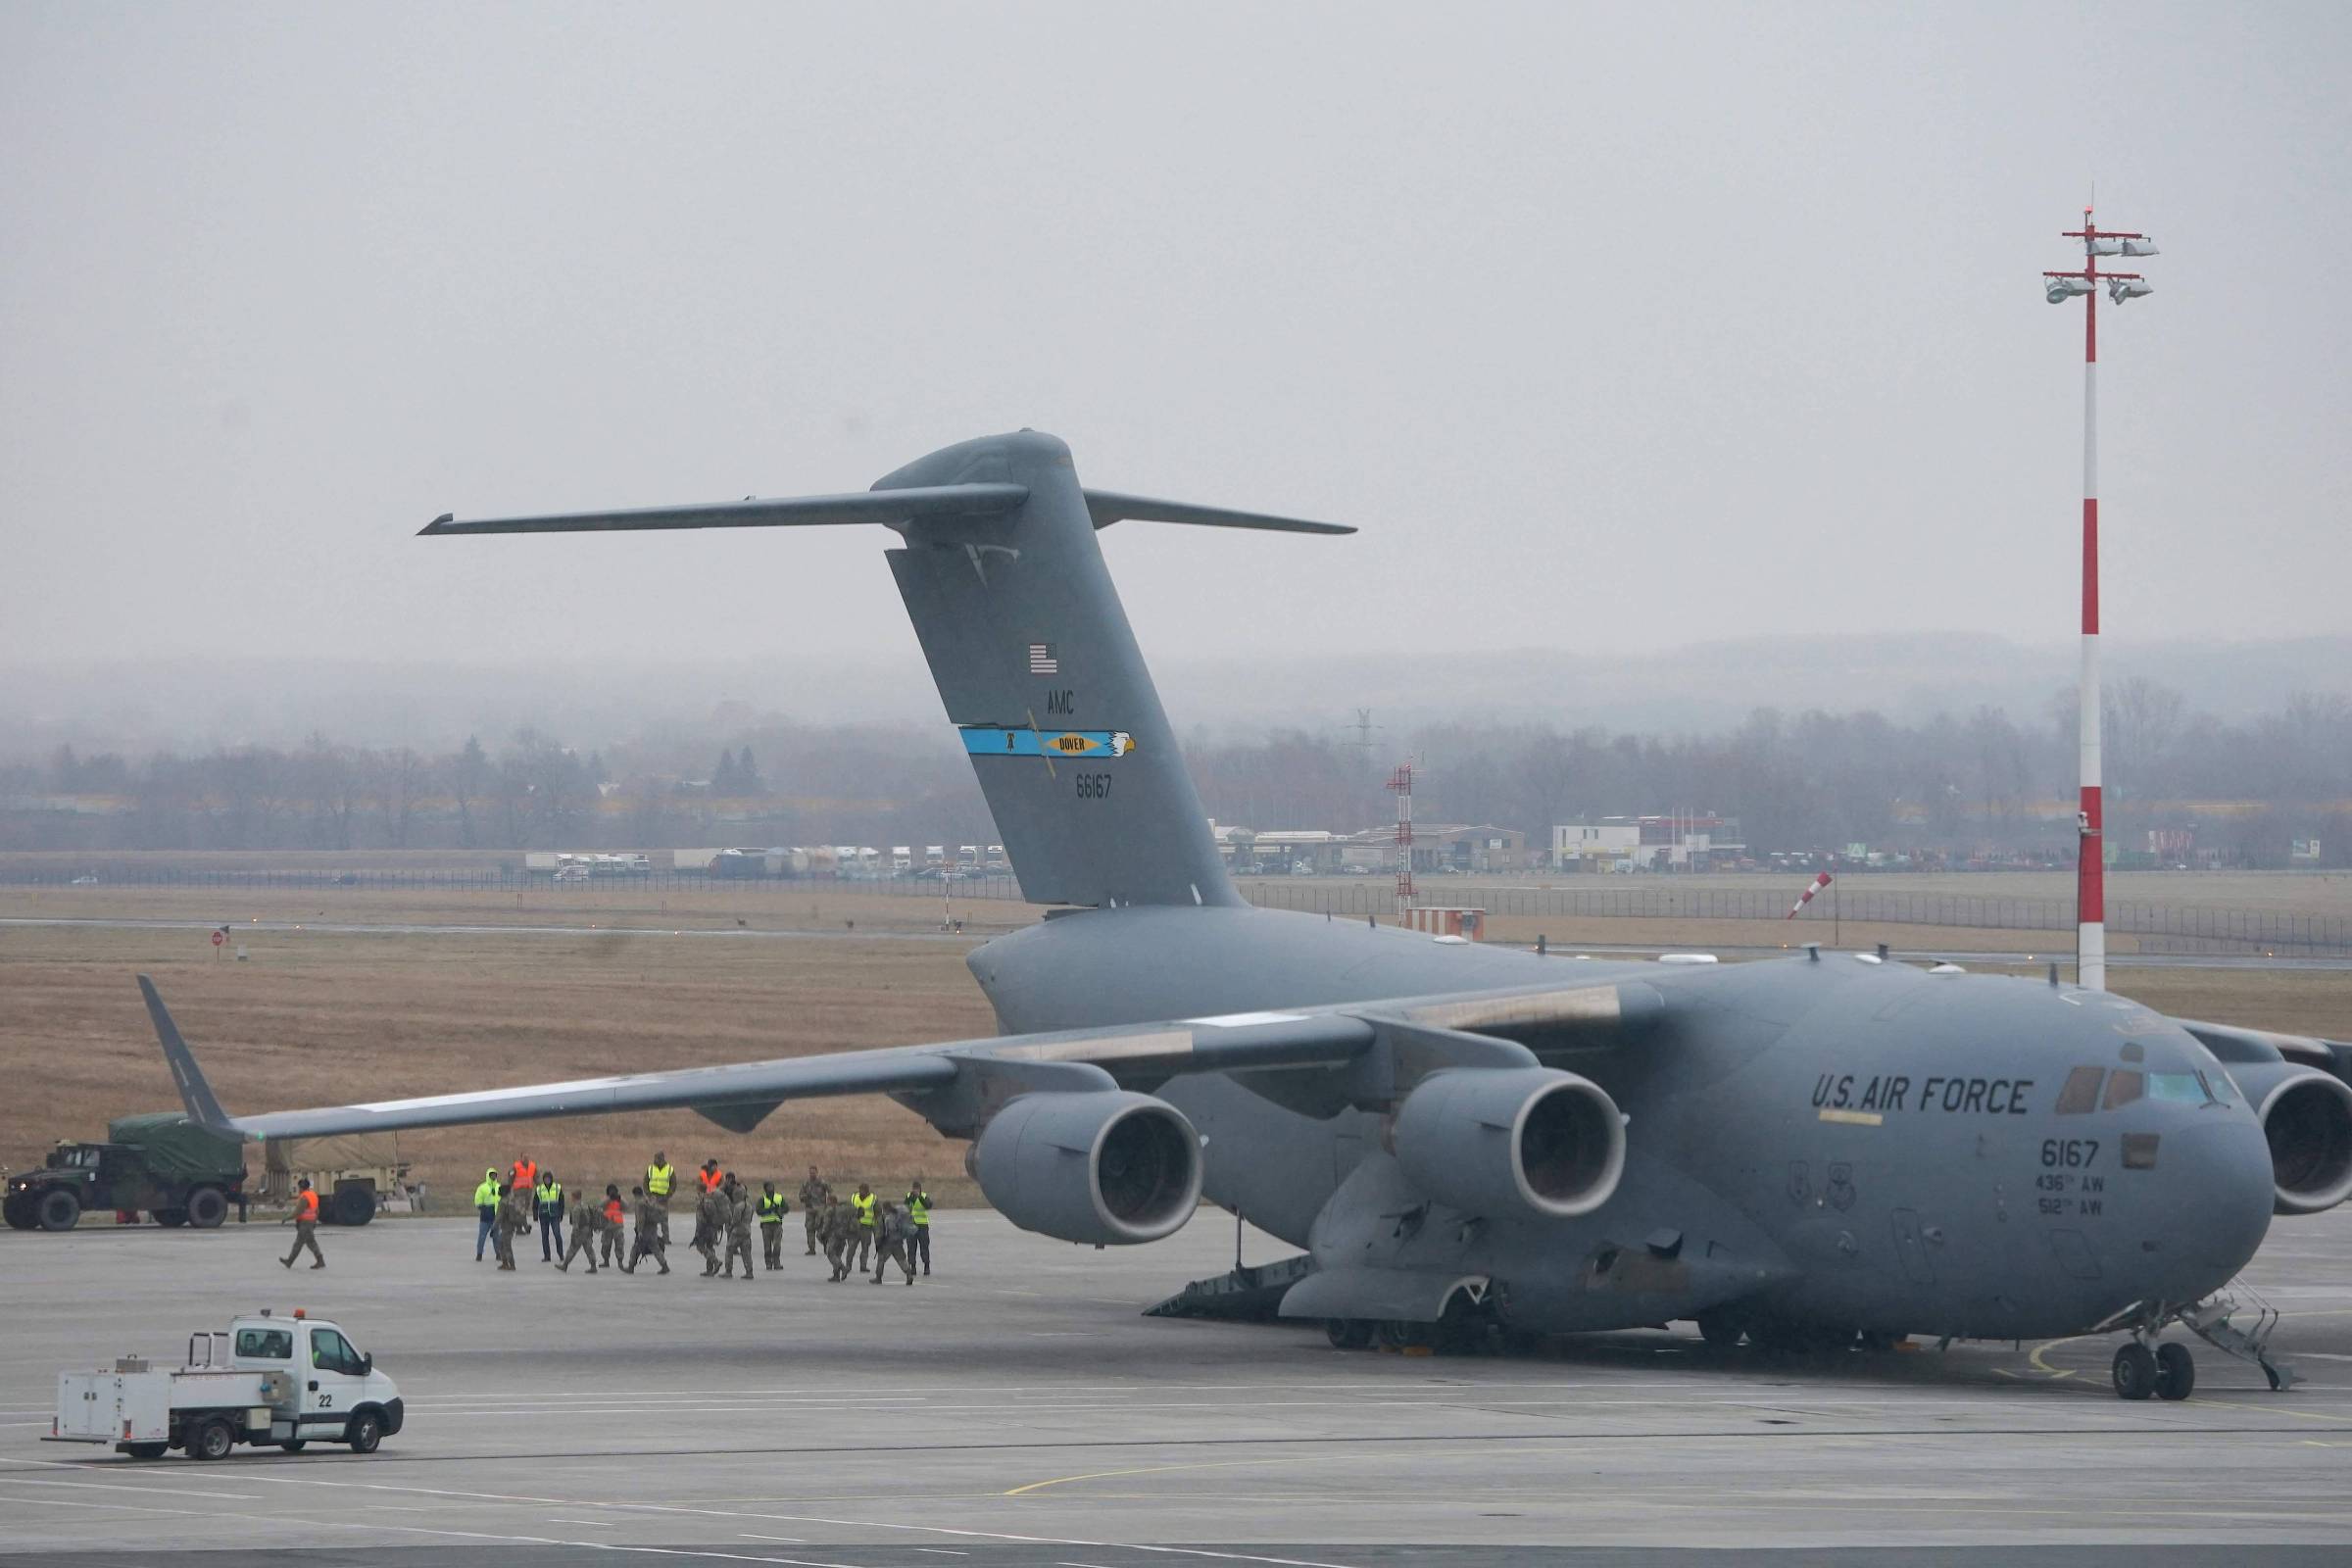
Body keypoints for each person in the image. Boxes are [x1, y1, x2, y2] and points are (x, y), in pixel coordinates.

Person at [279, 1178, 324, 1269]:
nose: (298, 1189)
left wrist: (286, 1218)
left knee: (298, 1243)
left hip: (305, 1224)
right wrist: (314, 1221)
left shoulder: (304, 1197)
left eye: (299, 1187)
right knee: (311, 1242)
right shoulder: (313, 1194)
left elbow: (297, 1212)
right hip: (311, 1222)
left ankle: (289, 1262)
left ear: (301, 1187)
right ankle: (320, 1261)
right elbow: (317, 1210)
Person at [626, 1185, 669, 1275]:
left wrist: (640, 1231)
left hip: (645, 1229)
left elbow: (641, 1218)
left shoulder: (640, 1203)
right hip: (653, 1227)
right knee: (654, 1247)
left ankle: (630, 1268)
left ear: (635, 1194)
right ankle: (664, 1266)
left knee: (636, 1248)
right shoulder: (648, 1200)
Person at [559, 1186, 601, 1273]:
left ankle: (565, 1265)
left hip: (580, 1231)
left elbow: (575, 1223)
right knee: (589, 1248)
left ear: (573, 1197)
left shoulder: (576, 1208)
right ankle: (593, 1266)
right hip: (588, 1230)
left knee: (573, 1248)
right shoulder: (585, 1206)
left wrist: (574, 1234)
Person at [872, 1200, 915, 1285]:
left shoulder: (886, 1218)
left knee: (881, 1260)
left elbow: (882, 1232)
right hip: (898, 1242)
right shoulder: (897, 1215)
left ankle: (878, 1278)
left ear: (884, 1209)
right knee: (902, 1260)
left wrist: (878, 1242)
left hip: (887, 1243)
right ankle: (909, 1275)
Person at [721, 1176, 755, 1281]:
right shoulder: (749, 1206)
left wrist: (730, 1227)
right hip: (747, 1231)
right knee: (746, 1253)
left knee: (729, 1250)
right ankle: (749, 1271)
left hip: (737, 1231)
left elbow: (735, 1220)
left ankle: (728, 1271)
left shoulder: (738, 1207)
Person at [494, 1182, 531, 1271]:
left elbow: (499, 1216)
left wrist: (494, 1227)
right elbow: (520, 1214)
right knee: (502, 1245)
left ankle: (511, 1264)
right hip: (508, 1227)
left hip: (507, 1227)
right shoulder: (510, 1202)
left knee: (506, 1246)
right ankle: (505, 1263)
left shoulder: (503, 1203)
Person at [693, 1181, 726, 1276]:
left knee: (700, 1246)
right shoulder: (710, 1198)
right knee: (710, 1247)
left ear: (699, 1190)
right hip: (712, 1228)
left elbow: (701, 1217)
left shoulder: (702, 1200)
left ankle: (716, 1261)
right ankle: (709, 1269)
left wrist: (699, 1231)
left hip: (705, 1228)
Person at [797, 1166, 831, 1255]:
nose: (812, 1174)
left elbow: (831, 1193)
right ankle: (811, 1248)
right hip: (810, 1209)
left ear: (817, 1172)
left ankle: (825, 1245)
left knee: (821, 1230)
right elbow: (800, 1195)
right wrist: (805, 1197)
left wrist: (829, 1204)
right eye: (810, 1172)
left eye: (814, 1172)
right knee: (809, 1229)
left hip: (821, 1209)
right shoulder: (806, 1183)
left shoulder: (823, 1183)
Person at [820, 1197, 855, 1283]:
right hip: (843, 1235)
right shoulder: (843, 1210)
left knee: (830, 1253)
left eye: (828, 1201)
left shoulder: (830, 1210)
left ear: (831, 1201)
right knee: (837, 1255)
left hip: (834, 1235)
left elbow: (826, 1223)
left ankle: (843, 1269)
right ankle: (836, 1276)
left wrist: (823, 1233)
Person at [645, 1151, 676, 1241]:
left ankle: (666, 1238)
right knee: (651, 1218)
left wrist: (668, 1195)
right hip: (652, 1197)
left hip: (663, 1198)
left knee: (664, 1219)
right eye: (655, 1158)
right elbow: (645, 1182)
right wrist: (649, 1194)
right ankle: (651, 1237)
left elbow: (673, 1184)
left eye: (658, 1158)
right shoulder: (650, 1169)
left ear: (662, 1159)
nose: (656, 1160)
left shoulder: (669, 1169)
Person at [905, 1176, 932, 1276]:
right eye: (914, 1188)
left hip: (922, 1225)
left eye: (917, 1189)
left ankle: (926, 1266)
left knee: (924, 1246)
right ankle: (913, 1266)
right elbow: (905, 1207)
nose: (915, 1190)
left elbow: (928, 1205)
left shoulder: (924, 1196)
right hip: (911, 1225)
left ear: (920, 1189)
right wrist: (911, 1197)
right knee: (911, 1247)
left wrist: (919, 1197)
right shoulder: (909, 1196)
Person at [757, 1180, 787, 1270]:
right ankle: (768, 1263)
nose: (771, 1188)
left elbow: (786, 1208)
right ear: (765, 1189)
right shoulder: (762, 1199)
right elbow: (758, 1211)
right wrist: (769, 1209)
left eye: (772, 1186)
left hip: (777, 1224)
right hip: (766, 1225)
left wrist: (779, 1210)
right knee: (767, 1246)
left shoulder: (779, 1197)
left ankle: (776, 1262)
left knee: (777, 1245)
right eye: (769, 1187)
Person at [536, 1170, 565, 1263]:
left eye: (548, 1179)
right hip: (543, 1215)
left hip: (554, 1215)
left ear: (551, 1179)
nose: (547, 1180)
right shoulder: (539, 1189)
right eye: (545, 1179)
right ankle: (547, 1256)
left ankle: (561, 1254)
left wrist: (561, 1214)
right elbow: (535, 1202)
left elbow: (561, 1201)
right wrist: (535, 1215)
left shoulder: (557, 1187)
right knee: (544, 1236)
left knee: (557, 1234)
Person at [849, 1182, 876, 1275]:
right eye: (860, 1190)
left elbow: (877, 1213)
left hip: (867, 1227)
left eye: (864, 1191)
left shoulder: (873, 1199)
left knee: (865, 1248)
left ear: (868, 1191)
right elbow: (849, 1211)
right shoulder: (854, 1197)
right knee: (851, 1247)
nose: (862, 1192)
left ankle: (863, 1266)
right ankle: (848, 1265)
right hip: (855, 1227)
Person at [472, 1167, 501, 1260]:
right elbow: (478, 1200)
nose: (493, 1176)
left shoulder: (499, 1187)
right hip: (485, 1216)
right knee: (482, 1236)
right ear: (488, 1176)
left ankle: (498, 1254)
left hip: (496, 1216)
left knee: (496, 1236)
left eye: (494, 1175)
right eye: (491, 1175)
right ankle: (479, 1254)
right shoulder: (482, 1187)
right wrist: (483, 1209)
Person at [600, 1185, 627, 1267]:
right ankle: (606, 1261)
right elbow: (600, 1205)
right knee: (605, 1245)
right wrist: (609, 1198)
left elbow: (626, 1207)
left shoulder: (619, 1199)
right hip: (607, 1226)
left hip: (617, 1226)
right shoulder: (605, 1199)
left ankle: (620, 1262)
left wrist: (620, 1199)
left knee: (619, 1244)